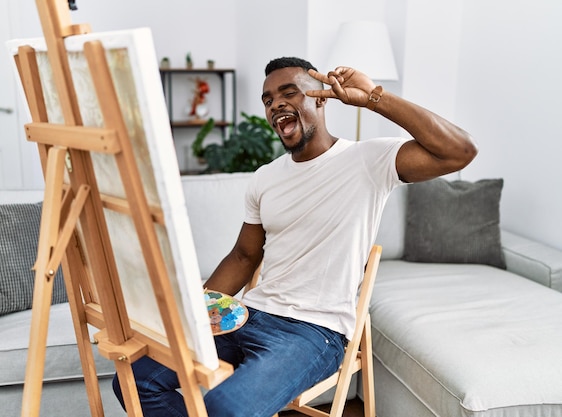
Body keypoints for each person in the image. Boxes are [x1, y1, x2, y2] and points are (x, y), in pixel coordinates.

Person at [112, 56, 477, 417]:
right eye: (268, 100)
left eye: (290, 93)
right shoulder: (265, 178)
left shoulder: (368, 160)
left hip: (312, 333)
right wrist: (196, 312)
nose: (276, 105)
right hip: (247, 314)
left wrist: (373, 97)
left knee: (224, 407)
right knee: (134, 378)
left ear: (321, 98)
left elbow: (459, 151)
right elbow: (243, 256)